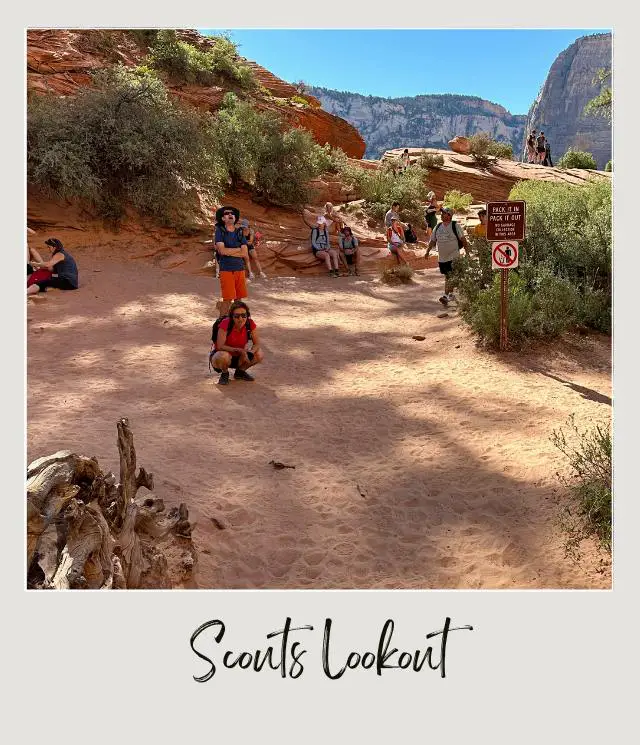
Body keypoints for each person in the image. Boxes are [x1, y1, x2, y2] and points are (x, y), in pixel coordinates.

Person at [209, 300, 264, 386]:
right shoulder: (225, 323)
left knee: (259, 353)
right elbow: (220, 346)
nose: (241, 319)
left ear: (247, 315)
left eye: (243, 315)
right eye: (237, 316)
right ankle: (225, 373)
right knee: (223, 356)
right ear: (232, 317)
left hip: (239, 358)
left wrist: (249, 353)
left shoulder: (250, 324)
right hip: (222, 358)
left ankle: (240, 372)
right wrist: (239, 350)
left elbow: (257, 343)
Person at [427, 206, 469, 305]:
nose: (441, 215)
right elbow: (433, 240)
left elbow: (463, 240)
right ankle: (451, 294)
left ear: (449, 215)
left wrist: (468, 252)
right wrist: (427, 251)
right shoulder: (438, 226)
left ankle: (446, 296)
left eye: (444, 213)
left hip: (453, 256)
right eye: (442, 213)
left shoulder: (455, 226)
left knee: (449, 276)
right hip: (442, 258)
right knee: (448, 276)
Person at [214, 205, 251, 316]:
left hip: (239, 269)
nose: (230, 214)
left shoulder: (239, 232)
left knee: (239, 300)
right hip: (226, 269)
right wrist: (238, 250)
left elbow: (244, 253)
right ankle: (223, 322)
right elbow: (221, 251)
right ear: (222, 218)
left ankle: (237, 323)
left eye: (232, 213)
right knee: (228, 299)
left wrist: (229, 251)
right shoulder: (220, 231)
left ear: (235, 218)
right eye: (227, 213)